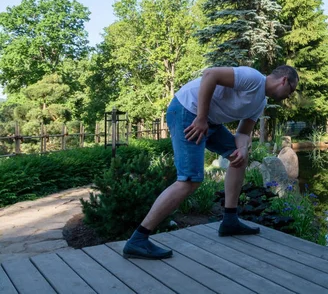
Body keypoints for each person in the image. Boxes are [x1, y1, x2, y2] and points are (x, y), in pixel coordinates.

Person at [122, 65, 298, 259]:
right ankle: (138, 239)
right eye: (290, 91)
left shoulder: (260, 103)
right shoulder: (253, 78)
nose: (288, 97)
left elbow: (242, 133)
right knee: (190, 180)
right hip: (187, 110)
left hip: (209, 121)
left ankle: (230, 220)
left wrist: (241, 149)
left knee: (240, 159)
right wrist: (201, 118)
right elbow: (210, 74)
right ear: (284, 80)